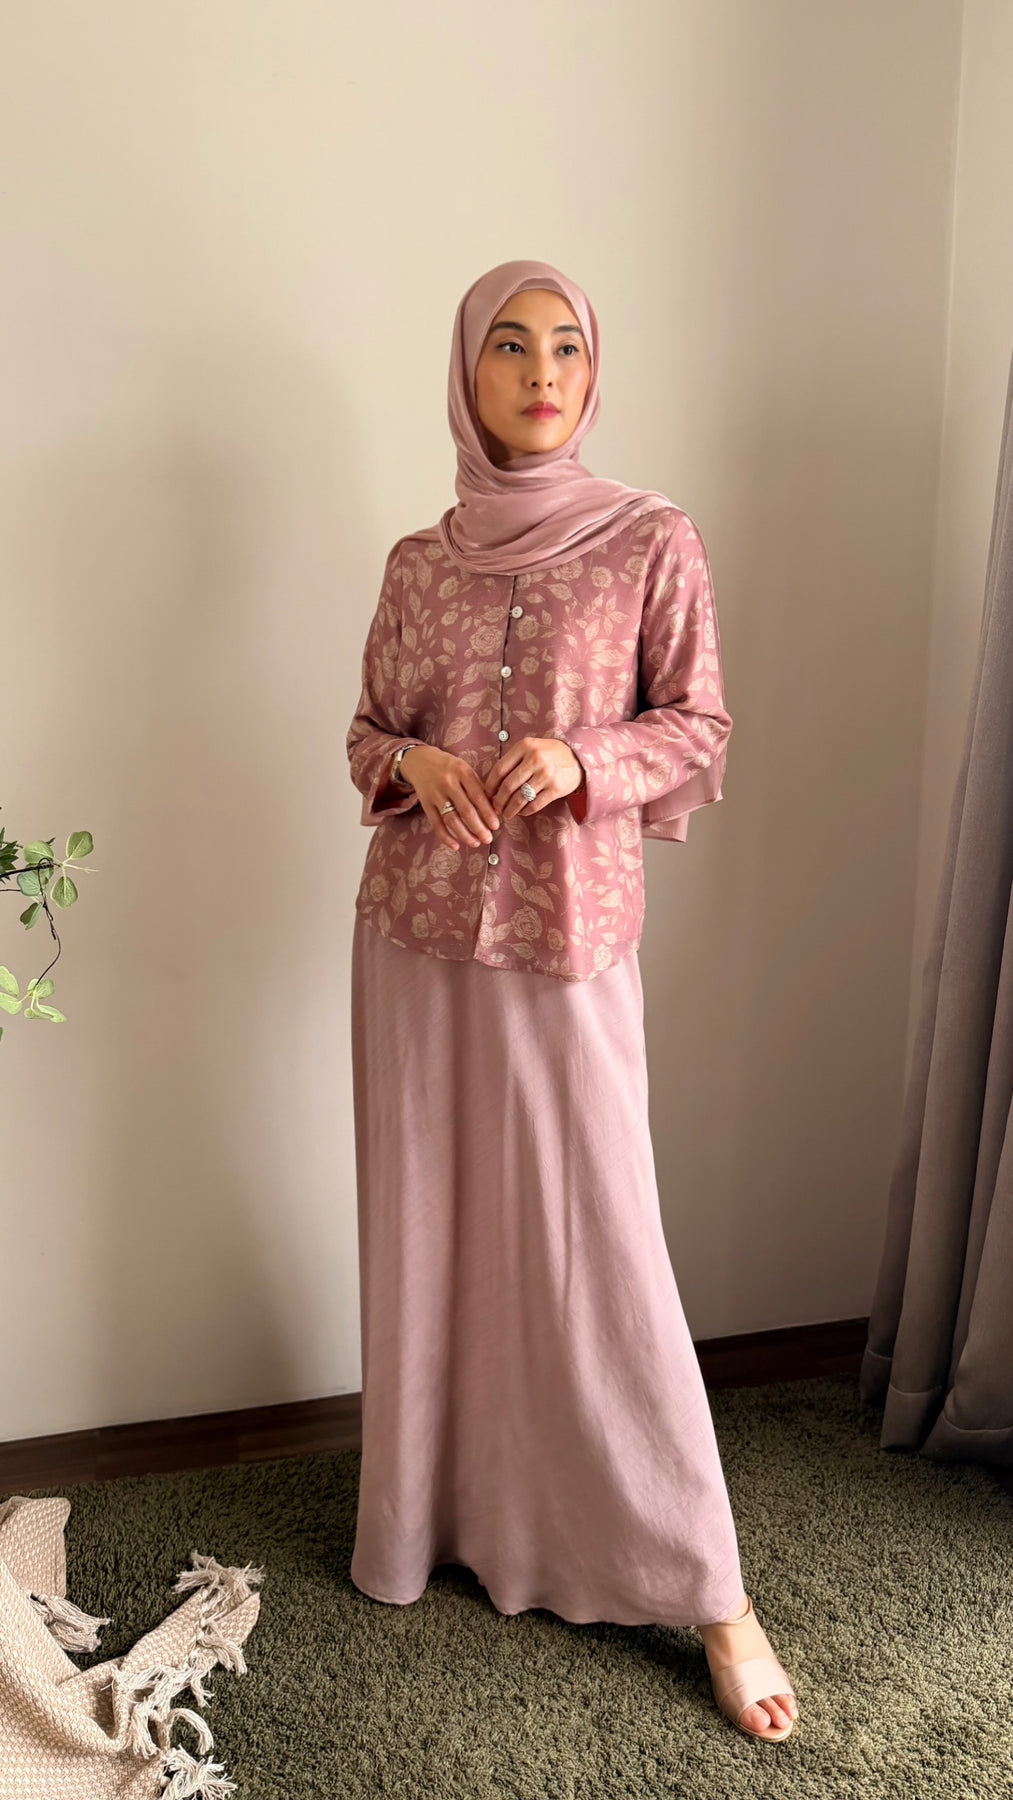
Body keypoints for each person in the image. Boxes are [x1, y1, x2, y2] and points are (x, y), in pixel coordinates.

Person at [344, 259, 799, 1743]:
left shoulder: (650, 538)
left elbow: (700, 722)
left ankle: (711, 1590)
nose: (540, 373)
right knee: (433, 1226)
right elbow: (368, 730)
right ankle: (443, 1519)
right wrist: (414, 764)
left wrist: (584, 758)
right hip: (414, 936)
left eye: (565, 348)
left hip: (568, 938)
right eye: (508, 347)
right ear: (465, 374)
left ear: (594, 373)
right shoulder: (419, 563)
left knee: (596, 1240)